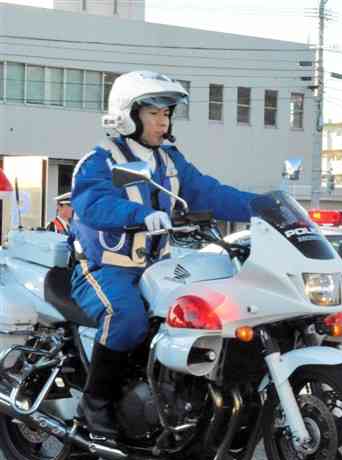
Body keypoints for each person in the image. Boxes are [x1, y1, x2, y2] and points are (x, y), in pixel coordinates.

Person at [71, 71, 257, 440]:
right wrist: (139, 215)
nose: (163, 121)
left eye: (167, 114)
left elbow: (209, 192)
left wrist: (263, 207)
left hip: (157, 269)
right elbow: (93, 203)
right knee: (126, 318)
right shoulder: (100, 160)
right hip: (104, 267)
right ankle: (94, 403)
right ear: (128, 114)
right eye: (154, 113)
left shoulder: (170, 162)